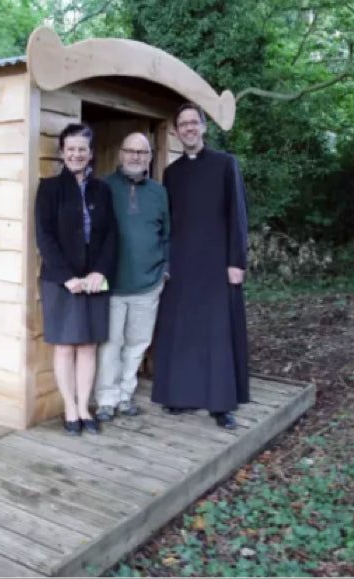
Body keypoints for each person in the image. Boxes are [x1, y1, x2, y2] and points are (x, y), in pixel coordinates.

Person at [151, 101, 250, 430]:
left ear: (204, 127)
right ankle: (183, 394)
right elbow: (168, 223)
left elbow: (238, 215)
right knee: (184, 331)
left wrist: (237, 261)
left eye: (195, 122)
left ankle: (220, 405)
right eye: (183, 124)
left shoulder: (225, 164)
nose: (189, 128)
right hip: (182, 264)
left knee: (216, 333)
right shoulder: (172, 173)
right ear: (176, 132)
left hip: (217, 262)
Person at [35, 123, 118, 435]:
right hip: (61, 280)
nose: (76, 154)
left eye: (82, 148)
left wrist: (100, 272)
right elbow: (45, 237)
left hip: (95, 279)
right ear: (62, 153)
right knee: (65, 346)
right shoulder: (48, 189)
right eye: (70, 149)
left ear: (91, 153)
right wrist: (67, 276)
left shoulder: (103, 189)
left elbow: (111, 235)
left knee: (88, 346)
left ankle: (85, 407)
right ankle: (69, 408)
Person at [94, 132, 170, 422]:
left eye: (142, 152)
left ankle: (125, 396)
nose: (136, 157)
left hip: (148, 284)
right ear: (120, 154)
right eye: (130, 151)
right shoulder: (103, 187)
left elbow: (167, 235)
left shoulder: (159, 192)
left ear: (150, 157)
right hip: (112, 284)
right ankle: (106, 399)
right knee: (110, 344)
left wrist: (164, 270)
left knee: (137, 343)